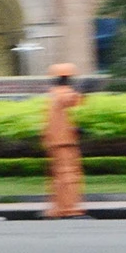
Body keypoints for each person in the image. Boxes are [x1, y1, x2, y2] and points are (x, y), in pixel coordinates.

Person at [42, 62, 86, 219]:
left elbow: (63, 116)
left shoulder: (53, 94)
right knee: (68, 176)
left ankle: (58, 210)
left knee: (59, 177)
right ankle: (69, 210)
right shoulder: (62, 92)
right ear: (66, 78)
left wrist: (75, 129)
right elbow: (70, 100)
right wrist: (83, 90)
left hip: (58, 140)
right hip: (64, 142)